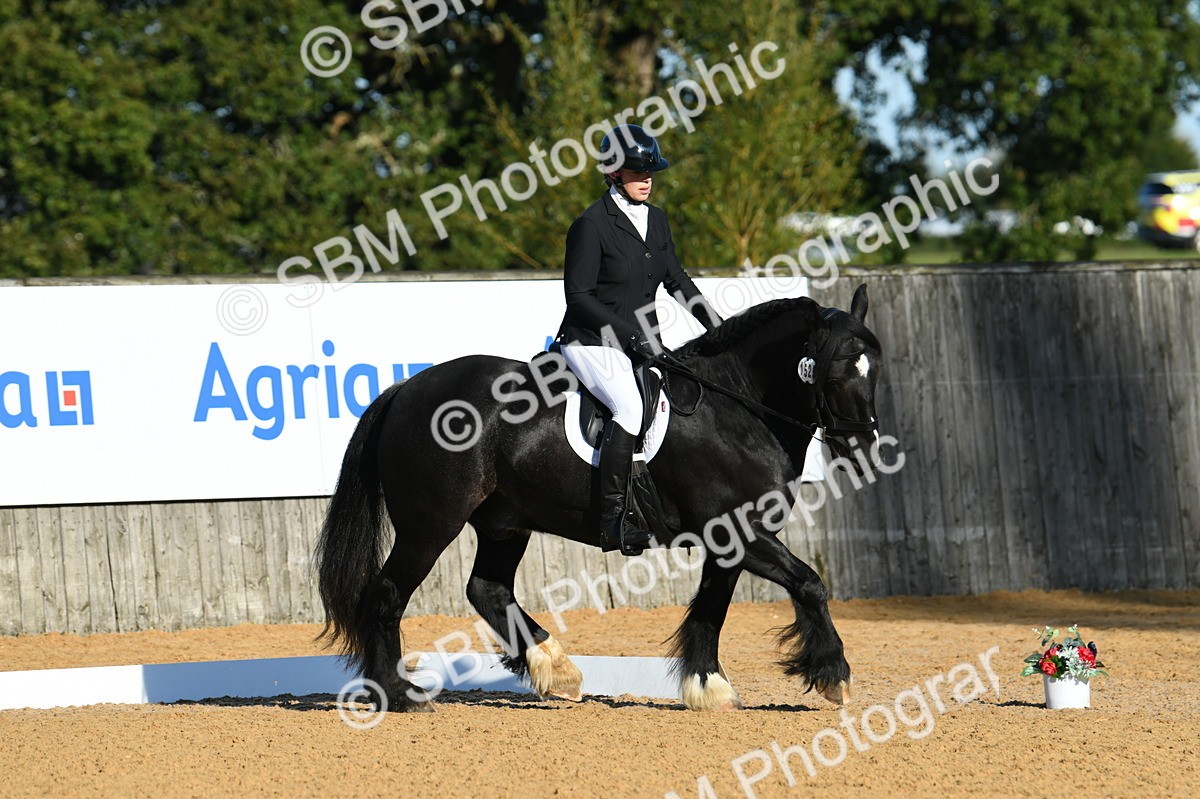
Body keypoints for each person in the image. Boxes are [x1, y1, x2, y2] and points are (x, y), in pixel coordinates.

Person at [555, 124, 722, 556]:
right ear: (613, 173)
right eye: (636, 172)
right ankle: (612, 520)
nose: (647, 179)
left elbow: (676, 278)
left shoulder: (657, 219)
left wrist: (715, 324)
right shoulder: (591, 225)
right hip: (592, 342)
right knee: (629, 408)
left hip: (641, 343)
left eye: (652, 172)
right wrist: (630, 334)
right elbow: (579, 297)